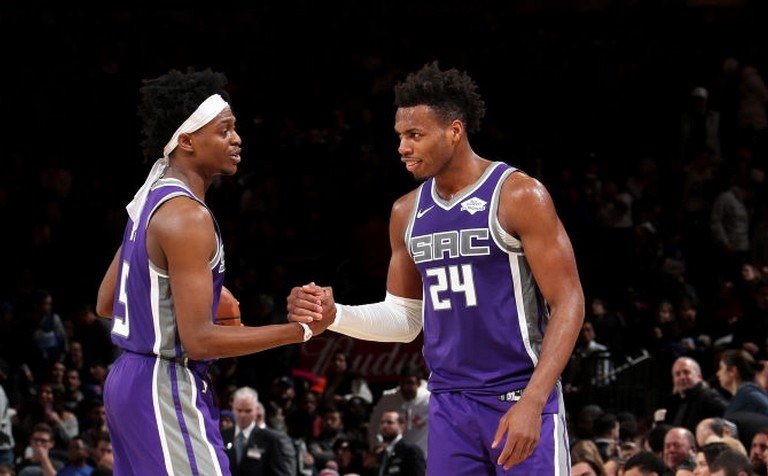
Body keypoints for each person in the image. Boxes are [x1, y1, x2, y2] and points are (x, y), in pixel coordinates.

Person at [287, 61, 585, 474]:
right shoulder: (405, 212)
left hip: (517, 392)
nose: (402, 147)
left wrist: (535, 400)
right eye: (400, 136)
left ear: (454, 131)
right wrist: (336, 316)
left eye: (415, 135)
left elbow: (569, 301)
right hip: (448, 403)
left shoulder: (518, 195)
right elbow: (405, 319)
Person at [94, 68, 330, 475]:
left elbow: (105, 302)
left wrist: (180, 297)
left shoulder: (148, 200)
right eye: (224, 131)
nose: (237, 139)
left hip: (126, 383)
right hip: (164, 384)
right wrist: (300, 331)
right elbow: (200, 341)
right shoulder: (188, 216)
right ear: (186, 141)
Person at [223, 386, 297, 476]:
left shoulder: (273, 440)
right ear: (232, 408)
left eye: (248, 411)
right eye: (239, 410)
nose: (242, 415)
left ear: (256, 410)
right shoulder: (222, 436)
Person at [367, 363, 430, 457]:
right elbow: (374, 425)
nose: (405, 387)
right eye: (402, 383)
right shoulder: (388, 399)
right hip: (396, 456)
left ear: (418, 383)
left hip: (424, 455)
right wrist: (376, 445)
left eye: (410, 383)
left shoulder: (430, 398)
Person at [663, 357, 727, 432]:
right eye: (677, 374)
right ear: (673, 380)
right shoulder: (673, 403)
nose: (682, 377)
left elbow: (728, 418)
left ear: (699, 376)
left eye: (686, 372)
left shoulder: (709, 397)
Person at [373, 410, 426, 476]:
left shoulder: (411, 451)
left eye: (390, 422)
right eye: (382, 422)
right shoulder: (382, 455)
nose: (384, 426)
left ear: (401, 427)